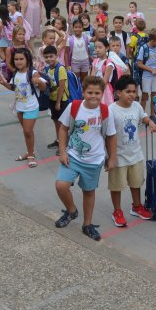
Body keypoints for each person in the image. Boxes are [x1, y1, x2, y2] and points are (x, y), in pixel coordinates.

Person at [55, 76, 117, 241]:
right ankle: (71, 210)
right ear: (83, 92)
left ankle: (87, 224)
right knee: (61, 185)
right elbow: (63, 129)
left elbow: (111, 136)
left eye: (97, 93)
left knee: (88, 191)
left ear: (102, 93)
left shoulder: (105, 111)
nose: (93, 96)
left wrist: (112, 158)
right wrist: (62, 151)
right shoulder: (74, 107)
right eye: (89, 92)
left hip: (95, 159)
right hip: (73, 156)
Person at [108, 75, 156, 226]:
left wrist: (150, 122)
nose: (132, 94)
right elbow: (106, 134)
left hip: (135, 154)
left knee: (136, 183)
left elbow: (143, 117)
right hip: (118, 156)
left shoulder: (137, 106)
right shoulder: (111, 110)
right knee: (116, 185)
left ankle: (137, 206)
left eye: (134, 91)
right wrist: (109, 157)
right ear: (118, 93)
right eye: (127, 91)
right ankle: (117, 211)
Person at [0, 48, 46, 168]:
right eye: (16, 59)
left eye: (21, 59)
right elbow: (14, 88)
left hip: (31, 107)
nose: (18, 61)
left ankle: (31, 156)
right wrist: (4, 84)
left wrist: (38, 81)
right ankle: (30, 152)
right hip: (19, 107)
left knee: (28, 131)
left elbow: (43, 87)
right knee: (26, 132)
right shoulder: (16, 74)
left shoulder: (32, 73)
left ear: (27, 60)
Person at [136, 29, 156, 115]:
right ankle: (142, 115)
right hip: (147, 75)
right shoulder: (144, 48)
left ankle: (152, 115)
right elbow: (139, 64)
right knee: (144, 96)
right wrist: (151, 69)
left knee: (154, 96)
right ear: (152, 40)